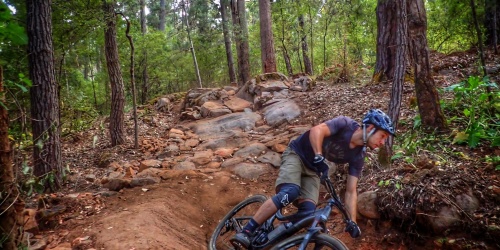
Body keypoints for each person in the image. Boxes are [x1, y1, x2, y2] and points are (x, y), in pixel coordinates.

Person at [230, 109, 396, 248]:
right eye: (382, 136)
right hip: (297, 155)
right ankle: (247, 230)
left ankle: (274, 237)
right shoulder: (345, 124)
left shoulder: (359, 156)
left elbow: (351, 191)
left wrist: (352, 221)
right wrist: (318, 155)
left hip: (313, 171)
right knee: (291, 192)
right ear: (371, 128)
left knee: (307, 215)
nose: (382, 143)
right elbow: (317, 130)